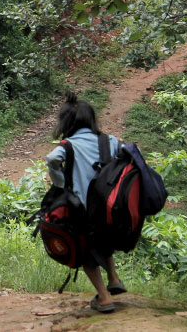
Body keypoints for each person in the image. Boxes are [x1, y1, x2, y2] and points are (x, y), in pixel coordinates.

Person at [45, 92, 126, 314]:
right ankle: (113, 278)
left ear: (66, 123)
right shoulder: (109, 141)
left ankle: (104, 298)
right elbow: (125, 154)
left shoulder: (68, 145)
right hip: (108, 208)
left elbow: (52, 159)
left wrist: (60, 183)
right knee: (104, 243)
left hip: (81, 209)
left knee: (85, 253)